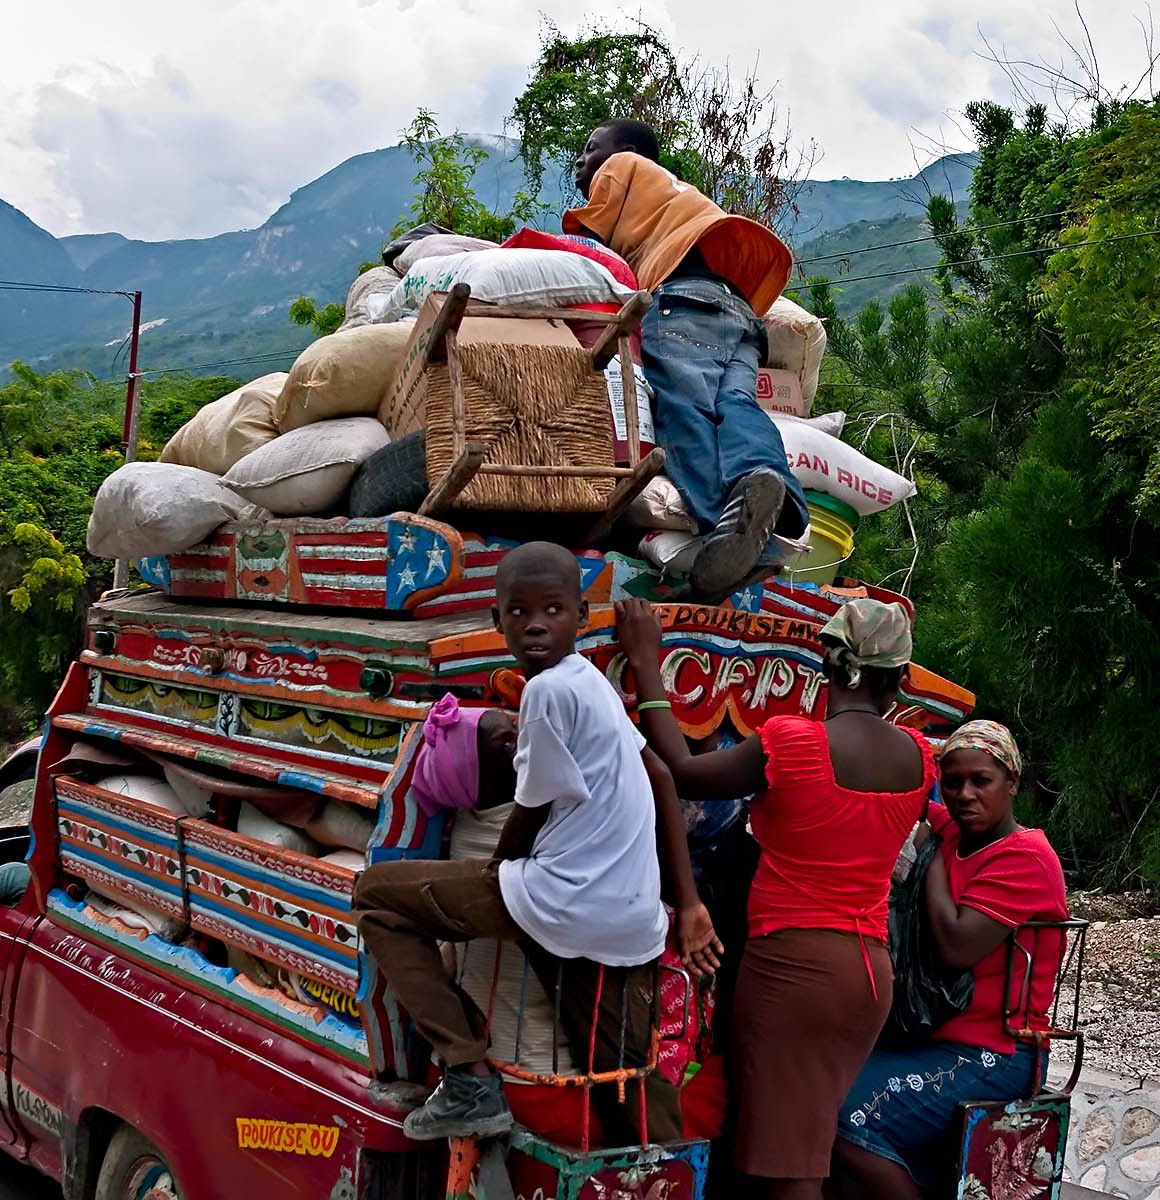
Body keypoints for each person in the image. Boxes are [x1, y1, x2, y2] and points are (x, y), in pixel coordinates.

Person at [353, 542, 721, 1144]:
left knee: (375, 898)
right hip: (631, 922)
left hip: (560, 900)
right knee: (623, 1077)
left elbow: (529, 805)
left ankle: (468, 1075)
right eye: (518, 613)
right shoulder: (594, 684)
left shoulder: (546, 690)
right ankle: (665, 1172)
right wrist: (688, 903)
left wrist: (493, 871)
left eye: (551, 610)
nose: (534, 626)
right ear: (498, 620)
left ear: (580, 615)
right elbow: (658, 773)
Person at [615, 596, 935, 1199]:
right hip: (868, 976)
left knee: (788, 1170)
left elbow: (682, 769)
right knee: (803, 1144)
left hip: (792, 973)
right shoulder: (918, 759)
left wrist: (647, 660)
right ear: (901, 679)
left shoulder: (792, 742)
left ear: (830, 666)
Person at [566, 119, 808, 599]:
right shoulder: (674, 199)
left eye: (589, 149)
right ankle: (769, 487)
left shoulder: (624, 167)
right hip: (738, 311)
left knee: (682, 411)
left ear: (627, 152)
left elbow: (583, 241)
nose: (581, 160)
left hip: (682, 304)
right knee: (737, 406)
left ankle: (722, 528)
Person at [829, 721, 1068, 1199]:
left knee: (841, 1113)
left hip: (995, 1050)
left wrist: (931, 860)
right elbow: (906, 796)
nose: (965, 794)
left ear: (1012, 783)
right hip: (934, 1037)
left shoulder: (1025, 857)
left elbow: (957, 946)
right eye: (953, 782)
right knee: (820, 1081)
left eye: (982, 781)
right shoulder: (955, 832)